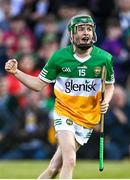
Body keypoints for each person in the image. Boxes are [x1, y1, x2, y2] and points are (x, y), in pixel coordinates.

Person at [5, 14, 115, 179]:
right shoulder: (59, 57)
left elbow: (109, 84)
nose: (86, 33)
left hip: (87, 119)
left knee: (54, 168)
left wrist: (106, 101)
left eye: (89, 29)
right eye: (81, 29)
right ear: (72, 34)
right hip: (64, 113)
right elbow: (38, 85)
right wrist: (16, 72)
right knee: (70, 160)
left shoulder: (104, 59)